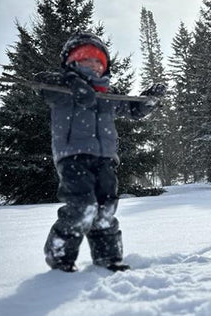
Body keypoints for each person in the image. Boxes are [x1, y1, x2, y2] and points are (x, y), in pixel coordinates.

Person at [35, 31, 165, 272]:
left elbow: (133, 110)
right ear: (72, 63)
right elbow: (41, 83)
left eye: (98, 61)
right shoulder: (61, 89)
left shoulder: (107, 94)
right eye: (86, 60)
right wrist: (72, 83)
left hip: (105, 159)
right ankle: (59, 255)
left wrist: (149, 100)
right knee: (83, 207)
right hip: (72, 157)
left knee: (105, 209)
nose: (93, 65)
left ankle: (109, 260)